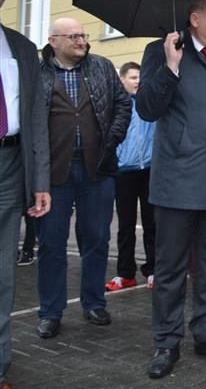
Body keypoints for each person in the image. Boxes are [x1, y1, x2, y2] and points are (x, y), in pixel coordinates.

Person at [136, 0, 206, 379]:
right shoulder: (162, 50)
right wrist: (170, 67)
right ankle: (167, 343)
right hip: (178, 180)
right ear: (195, 19)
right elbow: (147, 108)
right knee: (170, 269)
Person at [34, 17, 131, 340]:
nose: (80, 40)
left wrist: (112, 138)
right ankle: (50, 311)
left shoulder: (102, 67)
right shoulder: (37, 74)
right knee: (51, 245)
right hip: (53, 175)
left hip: (97, 170)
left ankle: (93, 302)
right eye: (73, 36)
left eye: (83, 35)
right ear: (53, 42)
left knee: (97, 239)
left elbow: (122, 104)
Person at [0, 0, 51, 389]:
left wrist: (40, 182)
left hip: (10, 164)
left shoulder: (20, 48)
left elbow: (36, 118)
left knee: (2, 273)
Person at [105, 62, 156, 292]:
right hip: (123, 172)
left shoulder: (149, 104)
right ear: (122, 80)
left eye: (140, 77)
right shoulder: (115, 106)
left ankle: (154, 270)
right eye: (133, 77)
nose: (138, 81)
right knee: (125, 225)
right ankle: (125, 273)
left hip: (150, 170)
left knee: (152, 223)